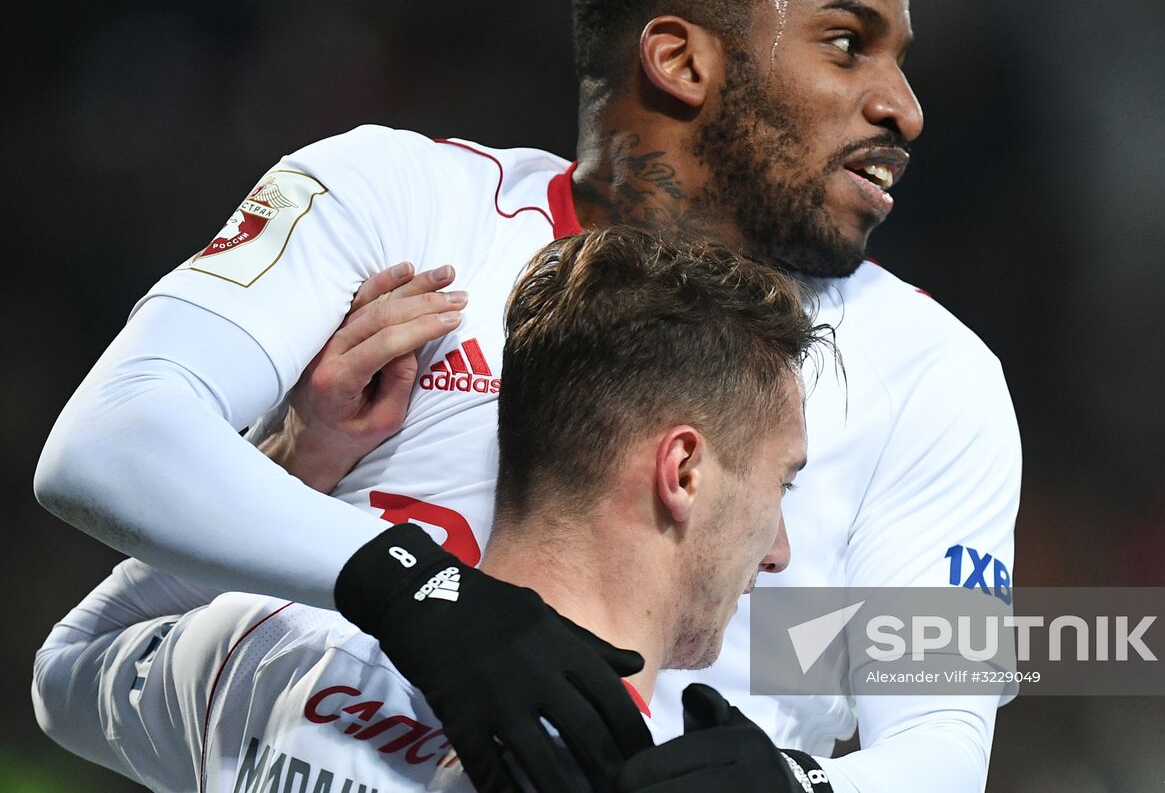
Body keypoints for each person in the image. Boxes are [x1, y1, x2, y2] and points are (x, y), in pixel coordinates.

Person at [34, 0, 1020, 790]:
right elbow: (106, 440)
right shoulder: (398, 202)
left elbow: (941, 739)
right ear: (679, 61)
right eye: (847, 45)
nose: (902, 108)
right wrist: (405, 588)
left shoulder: (937, 378)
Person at [33, 229, 821, 793]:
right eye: (781, 485)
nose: (779, 549)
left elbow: (68, 664)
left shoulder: (263, 652)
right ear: (680, 469)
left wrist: (300, 461)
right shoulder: (661, 766)